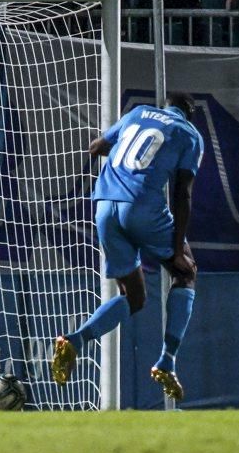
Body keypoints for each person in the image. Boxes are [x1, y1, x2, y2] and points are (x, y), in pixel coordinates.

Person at [51, 92, 203, 401]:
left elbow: (96, 147)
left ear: (166, 106)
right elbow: (182, 193)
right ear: (188, 114)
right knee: (185, 273)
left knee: (134, 296)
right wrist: (176, 250)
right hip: (143, 206)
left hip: (104, 207)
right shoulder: (189, 134)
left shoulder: (138, 114)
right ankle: (167, 361)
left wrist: (115, 148)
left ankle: (75, 340)